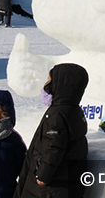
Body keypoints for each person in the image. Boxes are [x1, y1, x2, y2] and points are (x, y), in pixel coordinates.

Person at [14, 63, 89, 198]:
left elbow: (54, 146)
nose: (46, 85)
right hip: (65, 181)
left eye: (50, 81)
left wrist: (43, 174)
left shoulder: (58, 114)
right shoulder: (73, 109)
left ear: (61, 85)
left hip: (50, 186)